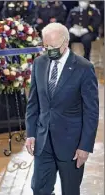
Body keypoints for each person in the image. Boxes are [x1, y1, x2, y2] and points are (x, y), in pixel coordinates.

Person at [25, 22, 99, 195]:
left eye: (53, 46)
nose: (49, 49)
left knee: (70, 191)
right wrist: (31, 134)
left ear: (65, 43)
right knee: (39, 188)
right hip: (43, 143)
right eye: (46, 46)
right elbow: (33, 102)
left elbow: (91, 112)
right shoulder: (39, 63)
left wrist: (85, 146)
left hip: (71, 146)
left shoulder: (84, 68)